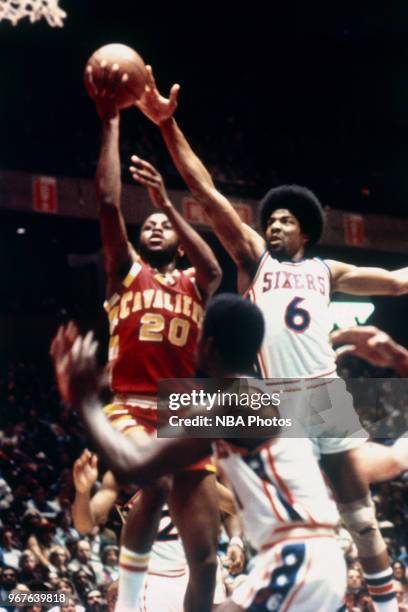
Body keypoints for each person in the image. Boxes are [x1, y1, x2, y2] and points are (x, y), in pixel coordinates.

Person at [132, 66, 408, 612]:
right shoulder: (254, 258)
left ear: (305, 231)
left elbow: (400, 281)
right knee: (208, 444)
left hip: (325, 395)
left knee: (361, 520)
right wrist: (167, 126)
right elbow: (207, 192)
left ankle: (386, 606)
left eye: (285, 221)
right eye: (271, 219)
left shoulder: (329, 271)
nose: (276, 225)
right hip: (272, 397)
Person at [50, 294, 347, 611]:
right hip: (311, 557)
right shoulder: (257, 399)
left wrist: (85, 401)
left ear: (205, 347)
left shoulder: (229, 404)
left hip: (295, 559)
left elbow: (134, 463)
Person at [82, 59, 223, 612]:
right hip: (132, 405)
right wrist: (111, 119)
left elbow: (213, 270)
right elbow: (110, 203)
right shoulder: (126, 273)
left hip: (185, 410)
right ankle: (129, 603)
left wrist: (168, 202)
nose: (156, 226)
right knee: (156, 481)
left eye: (163, 223)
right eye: (152, 225)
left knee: (207, 562)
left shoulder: (193, 279)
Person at [71, 448, 241, 611]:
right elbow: (85, 525)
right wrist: (82, 491)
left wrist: (236, 541)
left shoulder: (186, 468)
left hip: (197, 567)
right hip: (155, 578)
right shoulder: (119, 477)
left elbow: (234, 507)